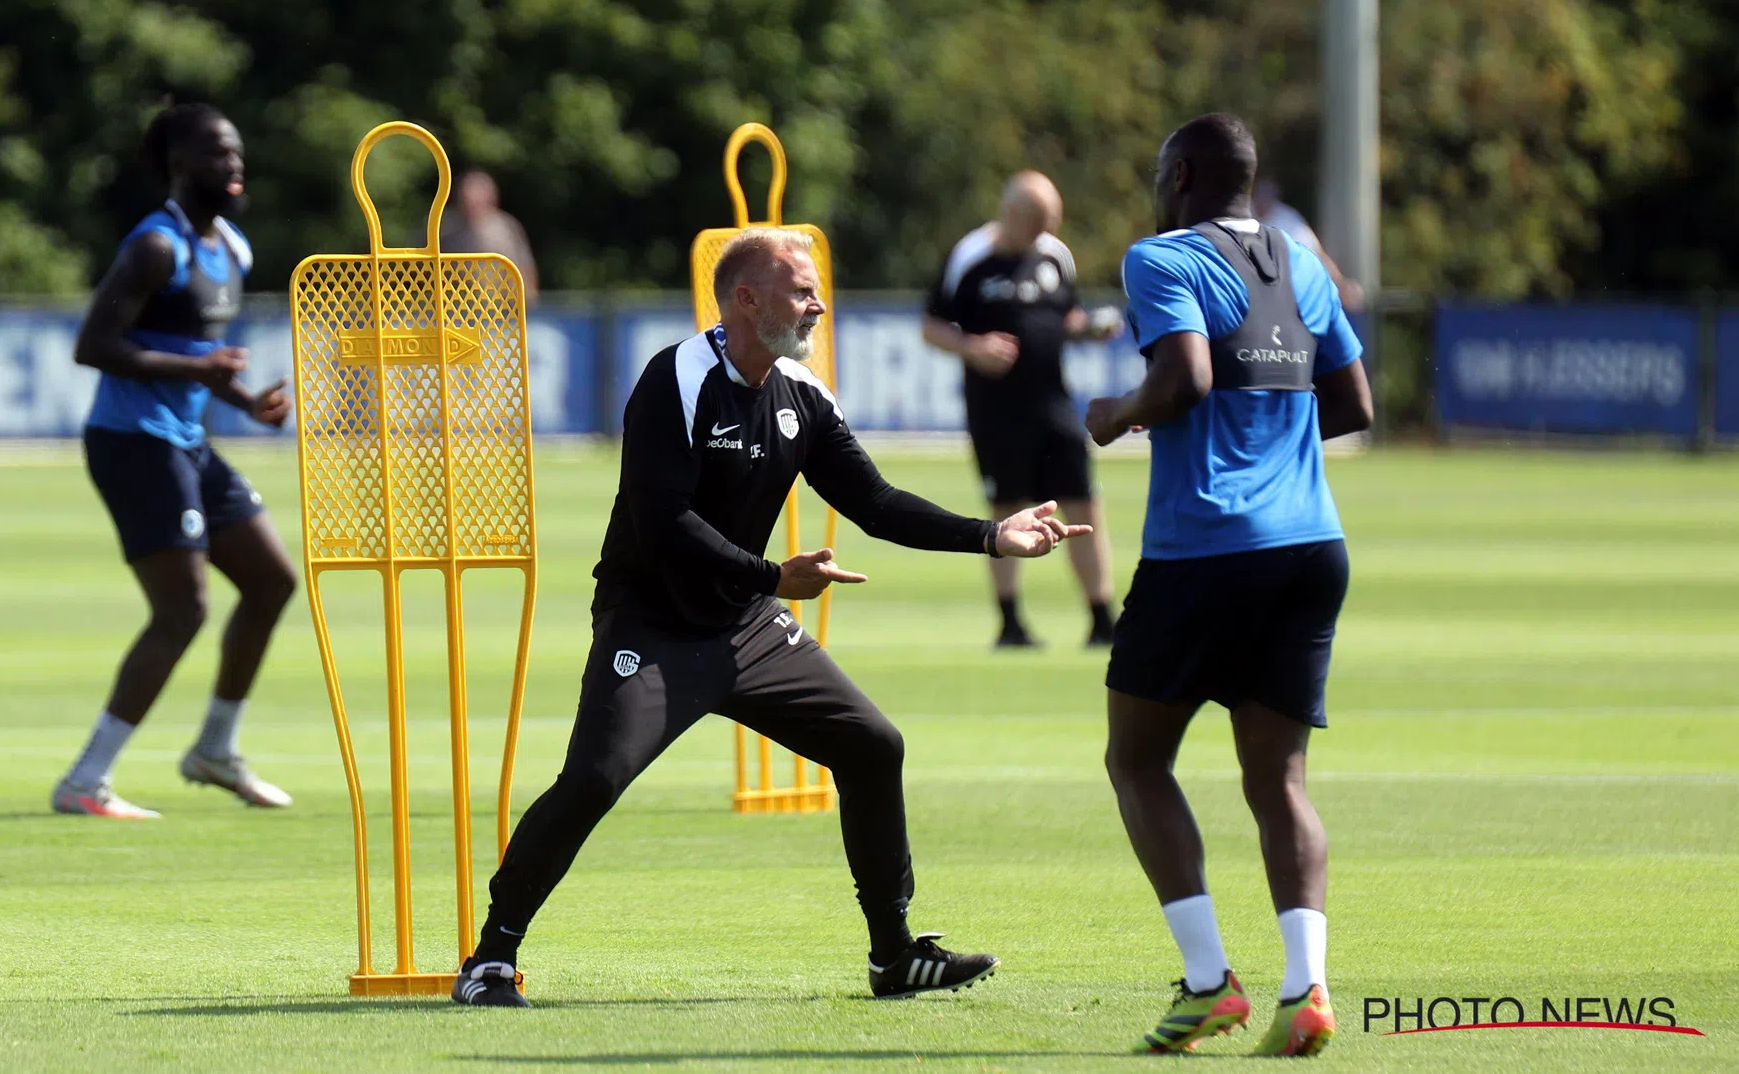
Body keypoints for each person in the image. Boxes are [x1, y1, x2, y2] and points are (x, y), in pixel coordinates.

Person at [451, 227, 1091, 1007]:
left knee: (871, 745)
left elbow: (877, 504)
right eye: (799, 289)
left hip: (747, 625)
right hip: (651, 626)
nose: (818, 303)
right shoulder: (676, 379)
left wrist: (992, 535)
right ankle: (490, 959)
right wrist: (771, 575)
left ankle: (893, 954)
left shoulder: (803, 396)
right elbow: (662, 520)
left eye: (816, 288)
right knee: (593, 778)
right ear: (746, 299)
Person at [1084, 114, 1374, 1056]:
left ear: (1181, 173)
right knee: (1278, 779)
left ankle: (1210, 983)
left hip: (1205, 544)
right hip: (1311, 544)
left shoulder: (1159, 257)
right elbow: (1357, 404)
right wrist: (1276, 457)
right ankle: (1308, 989)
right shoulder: (1301, 261)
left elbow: (1184, 380)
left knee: (1136, 760)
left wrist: (1114, 414)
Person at [58, 102, 298, 819]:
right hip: (133, 442)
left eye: (238, 153)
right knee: (184, 607)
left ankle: (215, 750)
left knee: (272, 581)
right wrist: (199, 374)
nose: (234, 165)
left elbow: (198, 359)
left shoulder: (234, 249)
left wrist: (246, 399)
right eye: (217, 154)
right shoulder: (156, 247)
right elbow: (93, 346)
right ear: (178, 164)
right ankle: (85, 780)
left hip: (188, 441)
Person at [923, 171, 1123, 649]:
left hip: (1053, 403)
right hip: (995, 410)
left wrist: (1088, 328)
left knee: (1083, 499)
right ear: (1011, 213)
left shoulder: (1055, 255)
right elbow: (932, 326)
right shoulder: (972, 257)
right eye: (1036, 223)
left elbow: (1064, 314)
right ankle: (1010, 622)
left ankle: (1101, 619)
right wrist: (973, 347)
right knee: (1007, 507)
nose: (1043, 234)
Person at [1254, 177, 1364, 312]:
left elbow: (1316, 254)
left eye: (1267, 193)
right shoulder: (1241, 215)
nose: (1263, 198)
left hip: (1282, 298)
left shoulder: (1288, 219)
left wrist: (1340, 284)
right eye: (1260, 192)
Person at [440, 170, 539, 299]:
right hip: (457, 307)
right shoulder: (446, 228)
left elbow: (525, 268)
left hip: (501, 307)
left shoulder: (506, 228)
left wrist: (526, 300)